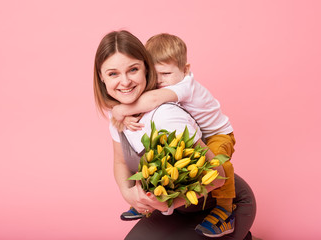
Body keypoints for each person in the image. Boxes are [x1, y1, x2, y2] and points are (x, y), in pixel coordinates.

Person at [93, 30, 256, 239]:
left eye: (133, 69)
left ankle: (234, 226)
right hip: (181, 209)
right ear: (101, 77)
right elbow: (120, 162)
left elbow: (218, 177)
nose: (124, 82)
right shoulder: (121, 117)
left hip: (220, 203)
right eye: (113, 73)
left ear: (145, 69)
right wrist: (130, 195)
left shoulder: (165, 115)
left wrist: (166, 203)